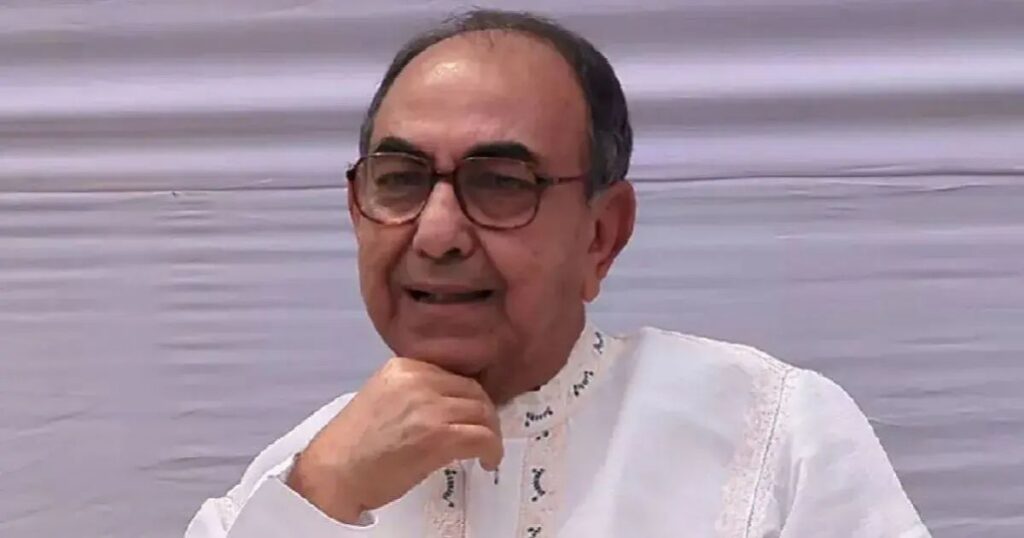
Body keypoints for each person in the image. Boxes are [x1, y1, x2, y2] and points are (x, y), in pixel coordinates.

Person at [185, 9, 930, 538]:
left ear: (602, 236)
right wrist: (322, 497)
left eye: (501, 183)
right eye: (401, 180)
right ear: (357, 212)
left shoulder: (771, 434)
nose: (437, 233)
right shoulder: (295, 479)